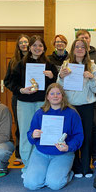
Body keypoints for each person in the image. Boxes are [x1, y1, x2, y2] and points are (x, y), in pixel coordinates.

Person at [9, 35, 58, 173]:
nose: (37, 48)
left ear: (44, 48)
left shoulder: (49, 65)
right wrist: (21, 90)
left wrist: (52, 77)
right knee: (26, 133)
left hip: (43, 103)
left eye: (40, 46)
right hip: (25, 103)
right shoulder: (20, 64)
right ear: (29, 47)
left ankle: (40, 163)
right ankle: (27, 165)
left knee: (43, 133)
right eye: (34, 45)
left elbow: (56, 86)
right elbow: (10, 82)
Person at [23, 83, 84, 190]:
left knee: (55, 184)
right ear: (47, 96)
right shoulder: (39, 113)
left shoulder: (72, 113)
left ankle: (68, 173)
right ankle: (46, 173)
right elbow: (30, 134)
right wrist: (33, 135)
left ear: (62, 96)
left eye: (58, 93)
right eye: (52, 93)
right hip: (41, 153)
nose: (55, 96)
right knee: (31, 184)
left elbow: (78, 136)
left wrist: (68, 147)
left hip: (62, 153)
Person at [57, 38, 96, 178]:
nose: (80, 49)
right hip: (71, 106)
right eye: (77, 47)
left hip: (87, 105)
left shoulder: (91, 65)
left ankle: (86, 167)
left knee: (87, 136)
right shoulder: (66, 64)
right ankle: (76, 167)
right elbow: (59, 87)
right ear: (73, 49)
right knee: (72, 136)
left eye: (82, 47)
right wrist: (61, 77)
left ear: (86, 50)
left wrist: (92, 77)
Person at [75, 29, 96, 169]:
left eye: (86, 38)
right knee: (75, 132)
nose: (83, 42)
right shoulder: (68, 62)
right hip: (74, 103)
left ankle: (92, 160)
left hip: (92, 101)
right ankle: (76, 163)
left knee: (93, 129)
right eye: (80, 40)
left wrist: (92, 77)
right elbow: (62, 84)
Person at [4, 34, 29, 166]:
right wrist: (18, 89)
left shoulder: (37, 60)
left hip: (35, 98)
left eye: (26, 42)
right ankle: (19, 155)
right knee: (20, 126)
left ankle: (33, 152)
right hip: (19, 98)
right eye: (21, 42)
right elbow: (7, 81)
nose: (24, 44)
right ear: (18, 45)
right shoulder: (13, 61)